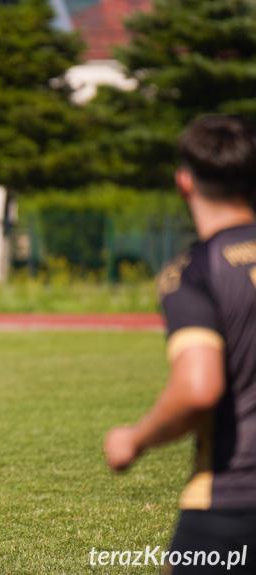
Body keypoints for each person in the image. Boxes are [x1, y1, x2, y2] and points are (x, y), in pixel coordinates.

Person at [104, 115, 256, 574]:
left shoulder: (194, 270)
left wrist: (135, 439)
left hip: (235, 502)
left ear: (184, 181)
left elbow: (197, 388)